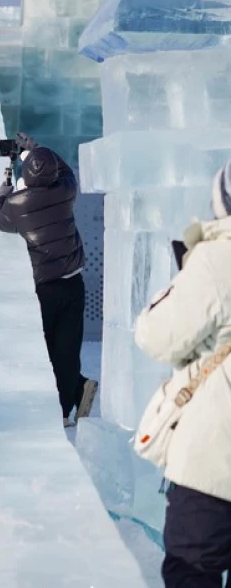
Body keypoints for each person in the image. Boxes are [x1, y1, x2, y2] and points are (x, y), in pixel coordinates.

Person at [133, 162, 231, 587]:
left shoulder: (219, 257)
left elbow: (159, 337)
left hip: (215, 459)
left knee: (193, 569)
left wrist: (184, 276)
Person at [0, 141, 97, 427]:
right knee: (67, 347)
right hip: (74, 283)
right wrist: (33, 149)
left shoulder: (17, 204)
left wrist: (6, 187)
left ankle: (71, 396)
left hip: (45, 288)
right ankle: (70, 399)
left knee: (47, 350)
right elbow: (64, 170)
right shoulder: (65, 190)